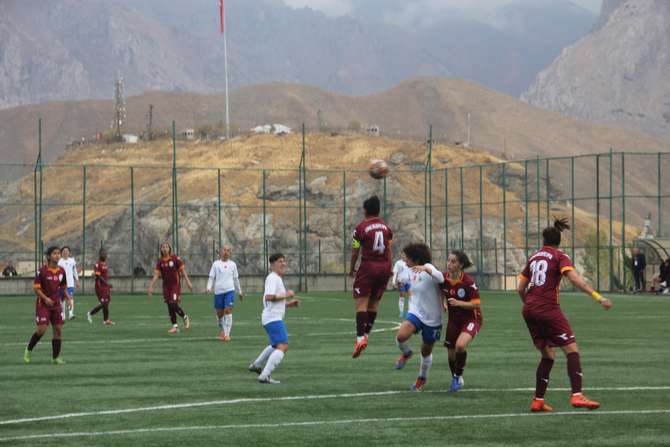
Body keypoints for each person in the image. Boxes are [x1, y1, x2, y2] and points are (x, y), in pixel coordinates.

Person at [517, 218, 612, 412]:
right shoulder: (560, 256)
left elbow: (520, 287)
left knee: (548, 354)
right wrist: (597, 297)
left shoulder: (534, 257)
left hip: (528, 309)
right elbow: (575, 279)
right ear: (559, 241)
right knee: (572, 350)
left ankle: (538, 400)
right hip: (548, 309)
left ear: (543, 240)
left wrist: (530, 304)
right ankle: (577, 396)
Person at [393, 243, 444, 391]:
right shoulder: (408, 270)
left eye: (407, 257)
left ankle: (422, 378)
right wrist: (398, 284)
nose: (404, 260)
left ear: (416, 259)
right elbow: (402, 282)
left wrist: (427, 270)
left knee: (426, 350)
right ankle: (407, 353)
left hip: (433, 317)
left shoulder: (429, 267)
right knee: (401, 336)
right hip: (415, 312)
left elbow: (440, 278)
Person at [349, 195, 393, 358]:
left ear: (365, 210)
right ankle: (366, 335)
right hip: (384, 267)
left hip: (368, 267)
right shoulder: (386, 228)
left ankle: (360, 338)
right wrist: (390, 267)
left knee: (362, 304)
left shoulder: (360, 229)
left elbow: (355, 250)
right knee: (374, 304)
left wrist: (352, 268)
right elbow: (389, 248)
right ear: (378, 210)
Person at [248, 253, 300, 384]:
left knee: (275, 345)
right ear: (273, 264)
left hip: (271, 317)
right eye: (280, 261)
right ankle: (264, 375)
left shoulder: (275, 278)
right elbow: (269, 297)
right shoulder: (273, 278)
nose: (283, 264)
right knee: (283, 345)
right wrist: (286, 295)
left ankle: (256, 365)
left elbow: (271, 301)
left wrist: (288, 304)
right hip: (272, 318)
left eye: (284, 261)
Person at [441, 250, 482, 392]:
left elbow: (476, 304)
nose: (449, 264)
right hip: (453, 321)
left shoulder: (468, 283)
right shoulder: (443, 279)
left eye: (453, 261)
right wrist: (444, 302)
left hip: (471, 319)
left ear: (460, 265)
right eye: (448, 260)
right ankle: (455, 376)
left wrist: (458, 303)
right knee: (451, 353)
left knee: (460, 345)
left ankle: (457, 377)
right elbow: (442, 291)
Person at [24, 246, 70, 365]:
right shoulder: (42, 271)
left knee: (58, 330)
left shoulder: (61, 271)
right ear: (49, 256)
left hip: (56, 305)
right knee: (41, 330)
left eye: (58, 253)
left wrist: (69, 299)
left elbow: (63, 287)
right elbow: (36, 289)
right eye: (55, 253)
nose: (57, 255)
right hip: (43, 304)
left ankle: (55, 358)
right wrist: (46, 298)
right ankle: (28, 350)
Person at [148, 242, 193, 333]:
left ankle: (185, 317)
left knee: (173, 304)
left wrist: (188, 282)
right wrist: (151, 286)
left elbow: (182, 271)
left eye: (166, 247)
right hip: (166, 287)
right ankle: (175, 327)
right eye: (163, 247)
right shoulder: (160, 261)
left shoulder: (175, 259)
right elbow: (156, 275)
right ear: (161, 249)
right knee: (169, 305)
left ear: (169, 249)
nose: (165, 249)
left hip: (175, 285)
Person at [206, 245, 244, 341]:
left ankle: (227, 335)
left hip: (229, 291)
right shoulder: (215, 264)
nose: (226, 252)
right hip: (218, 292)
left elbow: (236, 279)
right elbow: (211, 277)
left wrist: (240, 291)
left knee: (228, 310)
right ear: (220, 252)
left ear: (230, 253)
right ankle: (223, 330)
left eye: (228, 250)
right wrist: (208, 287)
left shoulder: (233, 264)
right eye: (224, 250)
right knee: (220, 314)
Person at [87, 248, 114, 325]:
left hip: (105, 286)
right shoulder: (97, 264)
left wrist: (107, 284)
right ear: (99, 254)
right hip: (100, 286)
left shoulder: (105, 264)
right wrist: (107, 283)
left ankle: (106, 320)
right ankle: (90, 313)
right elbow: (98, 276)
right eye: (103, 254)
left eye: (105, 254)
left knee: (106, 303)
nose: (105, 255)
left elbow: (104, 275)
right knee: (103, 303)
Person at [57, 246, 79, 320]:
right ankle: (63, 315)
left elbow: (74, 271)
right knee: (62, 299)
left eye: (67, 251)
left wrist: (77, 280)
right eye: (64, 251)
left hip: (70, 283)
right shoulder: (59, 261)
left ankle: (71, 313)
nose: (65, 252)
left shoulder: (72, 260)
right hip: (61, 284)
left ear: (69, 252)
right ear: (61, 252)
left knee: (70, 297)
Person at [392, 254, 411, 318]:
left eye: (405, 255)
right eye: (403, 255)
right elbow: (395, 273)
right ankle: (401, 312)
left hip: (409, 282)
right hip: (401, 282)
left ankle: (410, 311)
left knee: (411, 297)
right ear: (400, 255)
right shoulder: (398, 263)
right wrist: (393, 282)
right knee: (402, 296)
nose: (404, 256)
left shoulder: (409, 262)